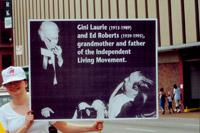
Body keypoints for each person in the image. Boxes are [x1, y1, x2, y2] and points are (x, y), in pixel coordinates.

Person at [0, 66, 103, 133]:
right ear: (5, 86)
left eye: (17, 81)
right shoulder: (3, 111)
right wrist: (25, 126)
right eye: (9, 83)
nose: (13, 85)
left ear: (25, 83)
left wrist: (91, 127)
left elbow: (64, 126)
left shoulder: (40, 103)